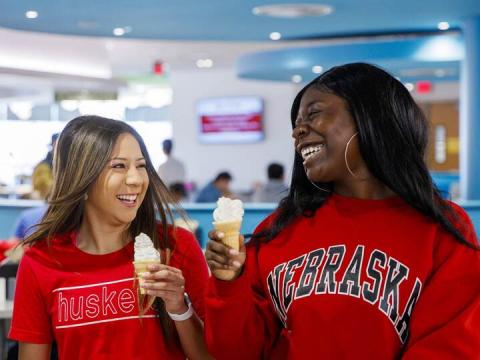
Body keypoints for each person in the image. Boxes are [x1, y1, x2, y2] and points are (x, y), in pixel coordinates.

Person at [204, 63, 480, 359]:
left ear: (370, 118)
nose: (298, 131)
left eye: (314, 113)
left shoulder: (440, 226)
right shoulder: (277, 229)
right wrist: (228, 284)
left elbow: (449, 346)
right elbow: (237, 351)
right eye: (296, 123)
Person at [9, 116, 211, 359]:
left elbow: (210, 356)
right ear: (81, 177)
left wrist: (179, 307)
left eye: (141, 165)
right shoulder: (40, 262)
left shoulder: (176, 246)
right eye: (118, 166)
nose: (136, 179)